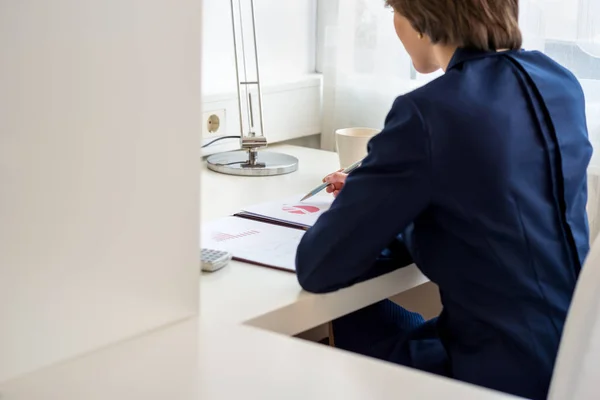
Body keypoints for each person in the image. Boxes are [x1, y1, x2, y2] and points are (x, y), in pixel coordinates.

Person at [295, 1, 592, 399]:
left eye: (393, 11)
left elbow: (318, 266)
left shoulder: (430, 111)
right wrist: (386, 190)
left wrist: (377, 199)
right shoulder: (561, 82)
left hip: (492, 379)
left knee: (347, 317)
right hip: (575, 361)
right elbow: (497, 200)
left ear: (420, 18)